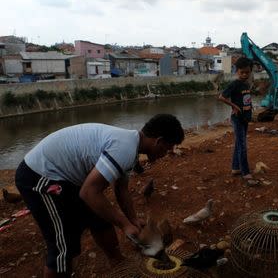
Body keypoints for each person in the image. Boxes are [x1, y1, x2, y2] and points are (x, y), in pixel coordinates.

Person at [15, 114, 184, 278]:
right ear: (159, 141)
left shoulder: (131, 145)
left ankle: (117, 262)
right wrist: (124, 225)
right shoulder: (124, 148)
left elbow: (121, 190)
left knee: (99, 217)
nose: (166, 153)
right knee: (63, 246)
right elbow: (88, 192)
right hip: (39, 175)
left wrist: (132, 219)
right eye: (167, 148)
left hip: (65, 177)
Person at [219, 57, 259, 186]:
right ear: (237, 71)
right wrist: (234, 106)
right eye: (242, 72)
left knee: (239, 143)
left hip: (245, 118)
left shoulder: (246, 84)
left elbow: (246, 99)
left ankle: (236, 168)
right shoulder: (235, 84)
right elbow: (221, 97)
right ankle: (245, 172)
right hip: (237, 119)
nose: (244, 75)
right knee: (242, 146)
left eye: (247, 72)